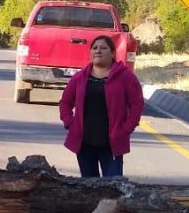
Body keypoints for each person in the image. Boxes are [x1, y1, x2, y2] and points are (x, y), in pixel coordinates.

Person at [58, 34, 144, 178]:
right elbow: (65, 103)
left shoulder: (125, 77)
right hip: (84, 145)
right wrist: (70, 123)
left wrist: (126, 129)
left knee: (113, 188)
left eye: (103, 48)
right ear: (90, 53)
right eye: (95, 48)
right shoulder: (80, 78)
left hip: (112, 145)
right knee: (89, 188)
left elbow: (137, 104)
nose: (98, 51)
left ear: (112, 54)